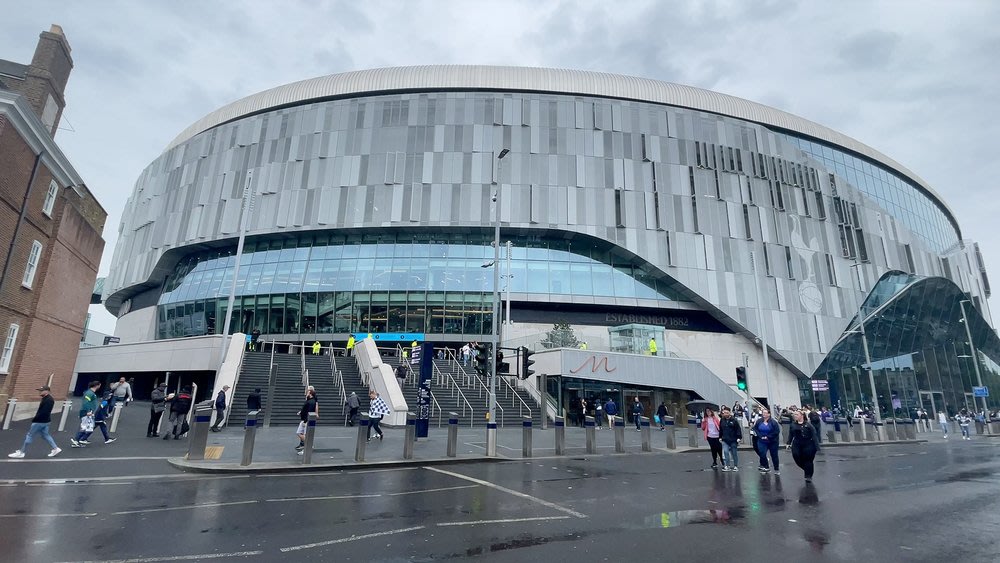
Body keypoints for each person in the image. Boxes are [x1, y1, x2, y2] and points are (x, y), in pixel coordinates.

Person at [8, 385, 61, 458]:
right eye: (39, 390)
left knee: (29, 435)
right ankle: (55, 448)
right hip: (46, 421)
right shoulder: (46, 398)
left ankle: (21, 452)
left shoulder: (48, 400)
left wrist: (35, 419)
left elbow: (44, 412)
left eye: (41, 391)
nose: (40, 392)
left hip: (40, 421)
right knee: (45, 435)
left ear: (47, 391)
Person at [786, 410, 818, 482]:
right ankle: (807, 469)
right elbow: (790, 435)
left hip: (808, 444)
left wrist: (817, 447)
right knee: (796, 456)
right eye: (794, 415)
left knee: (808, 460)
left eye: (797, 414)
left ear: (802, 415)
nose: (795, 416)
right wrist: (788, 443)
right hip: (797, 443)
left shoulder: (809, 425)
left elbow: (814, 436)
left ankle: (808, 476)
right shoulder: (793, 425)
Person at [71, 381, 101, 447]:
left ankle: (80, 440)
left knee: (88, 427)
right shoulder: (89, 393)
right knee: (86, 427)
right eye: (99, 385)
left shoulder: (91, 393)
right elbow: (85, 402)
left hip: (89, 412)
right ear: (97, 385)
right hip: (87, 413)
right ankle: (76, 440)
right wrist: (88, 411)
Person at [752, 408, 781, 474]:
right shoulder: (759, 421)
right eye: (763, 413)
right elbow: (755, 429)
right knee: (762, 453)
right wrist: (760, 436)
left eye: (765, 413)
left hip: (772, 441)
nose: (764, 414)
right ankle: (766, 467)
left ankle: (776, 469)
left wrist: (768, 437)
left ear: (769, 414)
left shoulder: (773, 422)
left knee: (774, 455)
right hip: (762, 440)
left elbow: (776, 432)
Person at [296, 388, 319, 454]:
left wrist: (305, 421)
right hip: (304, 419)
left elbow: (310, 411)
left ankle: (308, 447)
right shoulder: (309, 400)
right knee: (299, 433)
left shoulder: (312, 401)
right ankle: (309, 446)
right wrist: (301, 412)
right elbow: (306, 409)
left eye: (307, 392)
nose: (306, 393)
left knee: (305, 434)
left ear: (310, 394)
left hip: (306, 420)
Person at [719, 407, 742, 471]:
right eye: (724, 413)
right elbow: (721, 429)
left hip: (733, 439)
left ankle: (735, 465)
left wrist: (739, 437)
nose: (725, 414)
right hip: (725, 439)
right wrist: (720, 437)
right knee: (726, 452)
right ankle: (727, 465)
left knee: (734, 453)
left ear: (730, 413)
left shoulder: (734, 420)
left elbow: (738, 429)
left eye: (727, 413)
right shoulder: (722, 420)